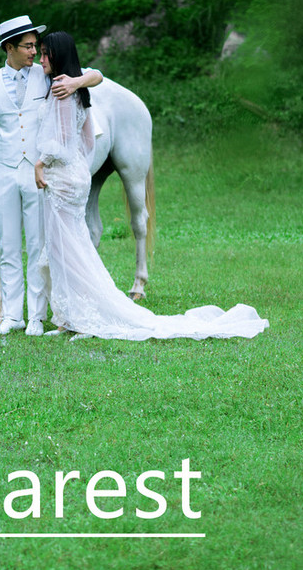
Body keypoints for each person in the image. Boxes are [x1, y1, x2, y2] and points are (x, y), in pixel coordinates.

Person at [33, 31, 269, 342]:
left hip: (63, 177)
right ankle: (71, 314)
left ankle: (75, 315)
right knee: (73, 246)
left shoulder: (63, 90)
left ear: (58, 56)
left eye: (46, 53)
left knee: (67, 248)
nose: (40, 58)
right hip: (75, 174)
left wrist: (41, 162)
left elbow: (62, 140)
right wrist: (79, 161)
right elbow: (87, 136)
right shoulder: (73, 89)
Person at [0, 15, 103, 336]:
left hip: (37, 174)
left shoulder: (46, 76)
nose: (34, 52)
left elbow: (96, 75)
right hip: (4, 172)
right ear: (9, 48)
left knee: (38, 246)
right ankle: (12, 316)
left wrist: (77, 82)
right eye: (27, 46)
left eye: (35, 46)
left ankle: (37, 316)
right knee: (9, 246)